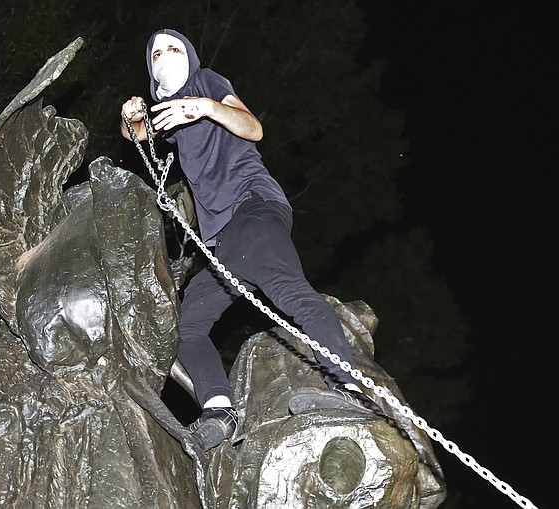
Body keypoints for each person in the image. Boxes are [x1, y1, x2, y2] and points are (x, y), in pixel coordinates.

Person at [120, 28, 371, 451]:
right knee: (185, 328)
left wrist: (205, 106)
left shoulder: (206, 83)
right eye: (157, 53)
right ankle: (220, 411)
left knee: (289, 291)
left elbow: (252, 128)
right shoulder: (168, 111)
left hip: (253, 209)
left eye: (174, 48)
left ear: (191, 55)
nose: (166, 57)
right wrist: (130, 117)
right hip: (224, 247)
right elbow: (136, 137)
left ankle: (347, 390)